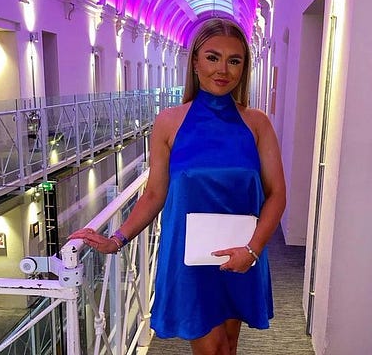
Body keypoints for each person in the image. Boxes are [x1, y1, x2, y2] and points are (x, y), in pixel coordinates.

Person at [69, 18, 286, 355]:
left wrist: (253, 250)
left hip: (244, 249)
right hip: (189, 255)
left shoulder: (257, 123)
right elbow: (155, 193)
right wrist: (117, 239)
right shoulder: (169, 122)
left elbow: (277, 194)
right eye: (212, 57)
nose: (223, 69)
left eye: (234, 60)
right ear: (195, 62)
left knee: (228, 347)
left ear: (244, 68)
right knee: (212, 349)